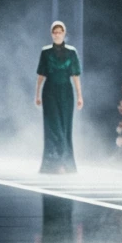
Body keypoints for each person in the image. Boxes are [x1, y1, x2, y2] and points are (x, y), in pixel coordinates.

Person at [35, 21, 83, 174]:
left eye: (60, 32)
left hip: (66, 92)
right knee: (53, 127)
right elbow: (41, 74)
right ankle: (54, 163)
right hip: (49, 91)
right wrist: (37, 94)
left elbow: (75, 75)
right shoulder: (46, 52)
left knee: (65, 127)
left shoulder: (71, 52)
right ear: (51, 34)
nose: (57, 34)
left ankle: (66, 163)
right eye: (54, 32)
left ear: (64, 33)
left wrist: (80, 96)